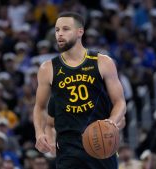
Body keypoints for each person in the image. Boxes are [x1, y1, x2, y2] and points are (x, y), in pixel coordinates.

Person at [33, 12, 127, 169]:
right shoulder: (47, 68)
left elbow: (120, 102)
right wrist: (39, 133)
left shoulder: (102, 62)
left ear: (80, 32)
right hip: (68, 149)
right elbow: (40, 107)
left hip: (101, 145)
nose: (60, 34)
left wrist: (111, 122)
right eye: (57, 30)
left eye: (65, 29)